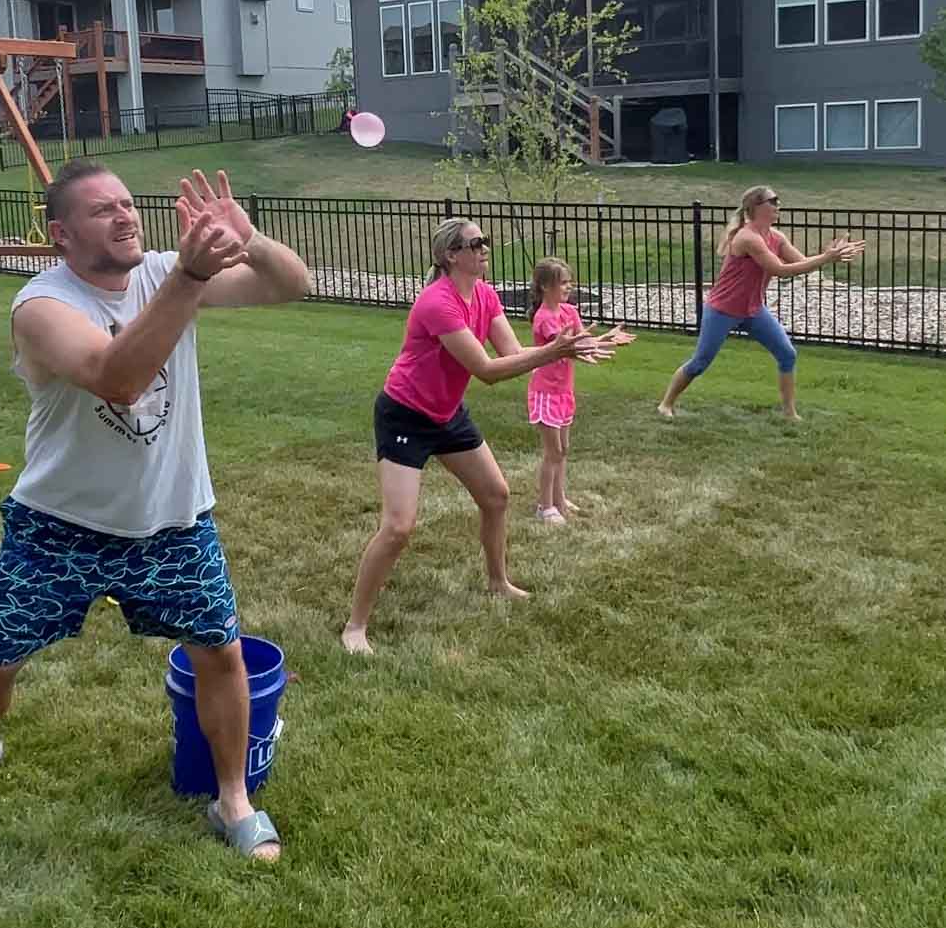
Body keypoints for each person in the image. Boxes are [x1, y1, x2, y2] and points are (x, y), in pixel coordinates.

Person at [0, 161, 310, 863]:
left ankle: (233, 799)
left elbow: (292, 285)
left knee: (220, 654)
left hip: (171, 520)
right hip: (56, 527)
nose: (127, 216)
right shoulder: (39, 306)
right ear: (61, 235)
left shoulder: (163, 269)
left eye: (129, 204)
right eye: (104, 211)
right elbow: (117, 380)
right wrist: (188, 280)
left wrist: (249, 241)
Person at [341, 217, 620, 655]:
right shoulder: (439, 303)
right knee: (398, 527)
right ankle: (355, 627)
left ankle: (497, 582)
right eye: (477, 242)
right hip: (405, 416)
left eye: (484, 241)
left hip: (447, 414)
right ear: (453, 254)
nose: (486, 247)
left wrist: (577, 346)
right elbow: (487, 371)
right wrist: (554, 350)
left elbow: (511, 353)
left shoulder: (485, 295)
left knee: (496, 496)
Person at [657, 184, 865, 422]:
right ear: (756, 207)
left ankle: (789, 413)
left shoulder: (776, 237)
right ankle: (666, 404)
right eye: (772, 201)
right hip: (723, 310)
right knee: (700, 362)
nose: (778, 205)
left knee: (787, 354)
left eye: (778, 200)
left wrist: (831, 257)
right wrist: (825, 258)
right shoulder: (748, 238)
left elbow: (801, 263)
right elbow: (780, 270)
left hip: (753, 310)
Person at [527, 257, 634, 524]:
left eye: (568, 282)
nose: (568, 287)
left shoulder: (568, 312)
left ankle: (559, 499)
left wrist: (601, 340)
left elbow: (581, 339)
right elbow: (567, 347)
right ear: (544, 287)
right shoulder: (544, 318)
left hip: (563, 390)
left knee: (563, 449)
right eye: (562, 282)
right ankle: (545, 506)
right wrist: (601, 341)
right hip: (545, 393)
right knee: (552, 452)